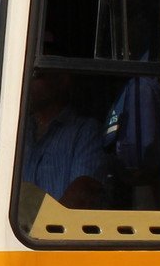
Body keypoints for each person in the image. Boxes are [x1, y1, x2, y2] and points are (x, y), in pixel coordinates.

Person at [20, 66, 110, 207]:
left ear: (62, 80)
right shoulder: (17, 133)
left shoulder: (85, 131)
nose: (25, 82)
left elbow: (83, 192)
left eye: (35, 75)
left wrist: (46, 220)